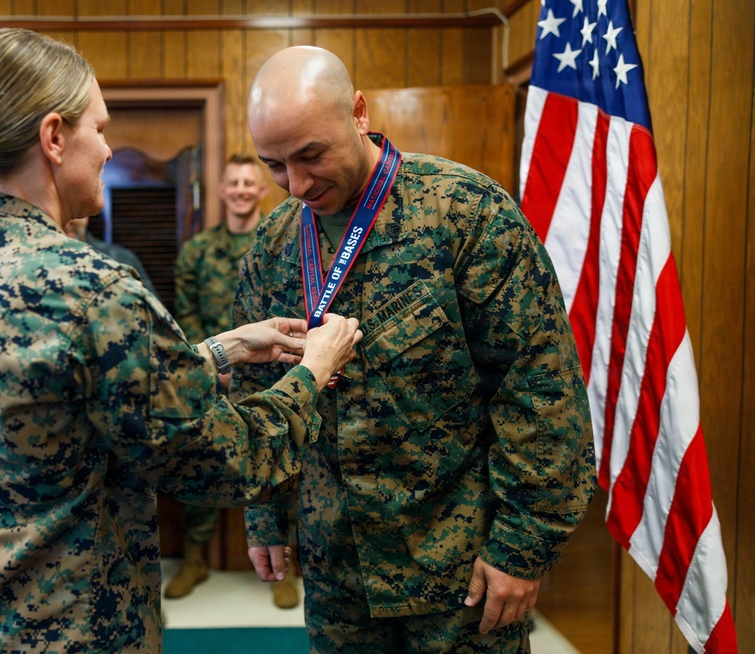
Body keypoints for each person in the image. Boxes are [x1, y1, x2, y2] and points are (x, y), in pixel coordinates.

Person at [0, 29, 362, 654]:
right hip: (57, 627)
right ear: (55, 138)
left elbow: (62, 401)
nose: (110, 150)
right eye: (101, 128)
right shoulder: (89, 286)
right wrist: (312, 372)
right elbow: (222, 461)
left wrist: (219, 350)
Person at [233, 45, 597, 653]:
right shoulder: (272, 249)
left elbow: (539, 388)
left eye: (310, 156)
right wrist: (263, 514)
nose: (295, 185)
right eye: (274, 164)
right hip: (336, 572)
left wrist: (523, 547)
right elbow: (254, 393)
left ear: (357, 112)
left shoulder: (468, 215)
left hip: (457, 567)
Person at [167, 153, 303, 608]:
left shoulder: (284, 246)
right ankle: (195, 558)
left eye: (250, 182)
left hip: (275, 374)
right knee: (204, 463)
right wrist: (214, 360)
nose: (243, 189)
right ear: (222, 190)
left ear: (262, 189)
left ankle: (283, 565)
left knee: (282, 463)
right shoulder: (197, 251)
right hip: (212, 374)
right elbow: (183, 315)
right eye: (234, 182)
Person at [64, 215, 158, 296]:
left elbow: (154, 312)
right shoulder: (49, 262)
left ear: (86, 216)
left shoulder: (120, 258)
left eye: (72, 214)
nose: (66, 223)